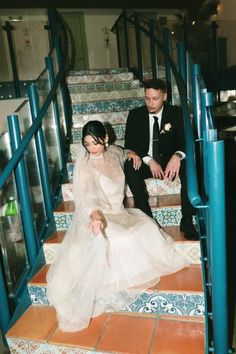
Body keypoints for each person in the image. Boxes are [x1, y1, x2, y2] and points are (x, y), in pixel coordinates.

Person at [46, 120, 189, 332]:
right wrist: (96, 217)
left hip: (120, 213)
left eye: (95, 143)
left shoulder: (113, 151)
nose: (91, 149)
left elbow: (123, 151)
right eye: (86, 144)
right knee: (124, 239)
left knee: (148, 228)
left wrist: (132, 154)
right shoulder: (85, 166)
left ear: (105, 139)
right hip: (101, 216)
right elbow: (89, 197)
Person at [124, 78, 198, 240]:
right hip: (146, 162)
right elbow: (129, 144)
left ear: (164, 96)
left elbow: (187, 141)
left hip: (169, 162)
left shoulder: (177, 113)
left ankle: (187, 219)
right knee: (129, 165)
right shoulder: (135, 115)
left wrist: (178, 156)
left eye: (155, 99)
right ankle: (146, 218)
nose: (150, 103)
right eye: (147, 98)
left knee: (189, 165)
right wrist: (148, 160)